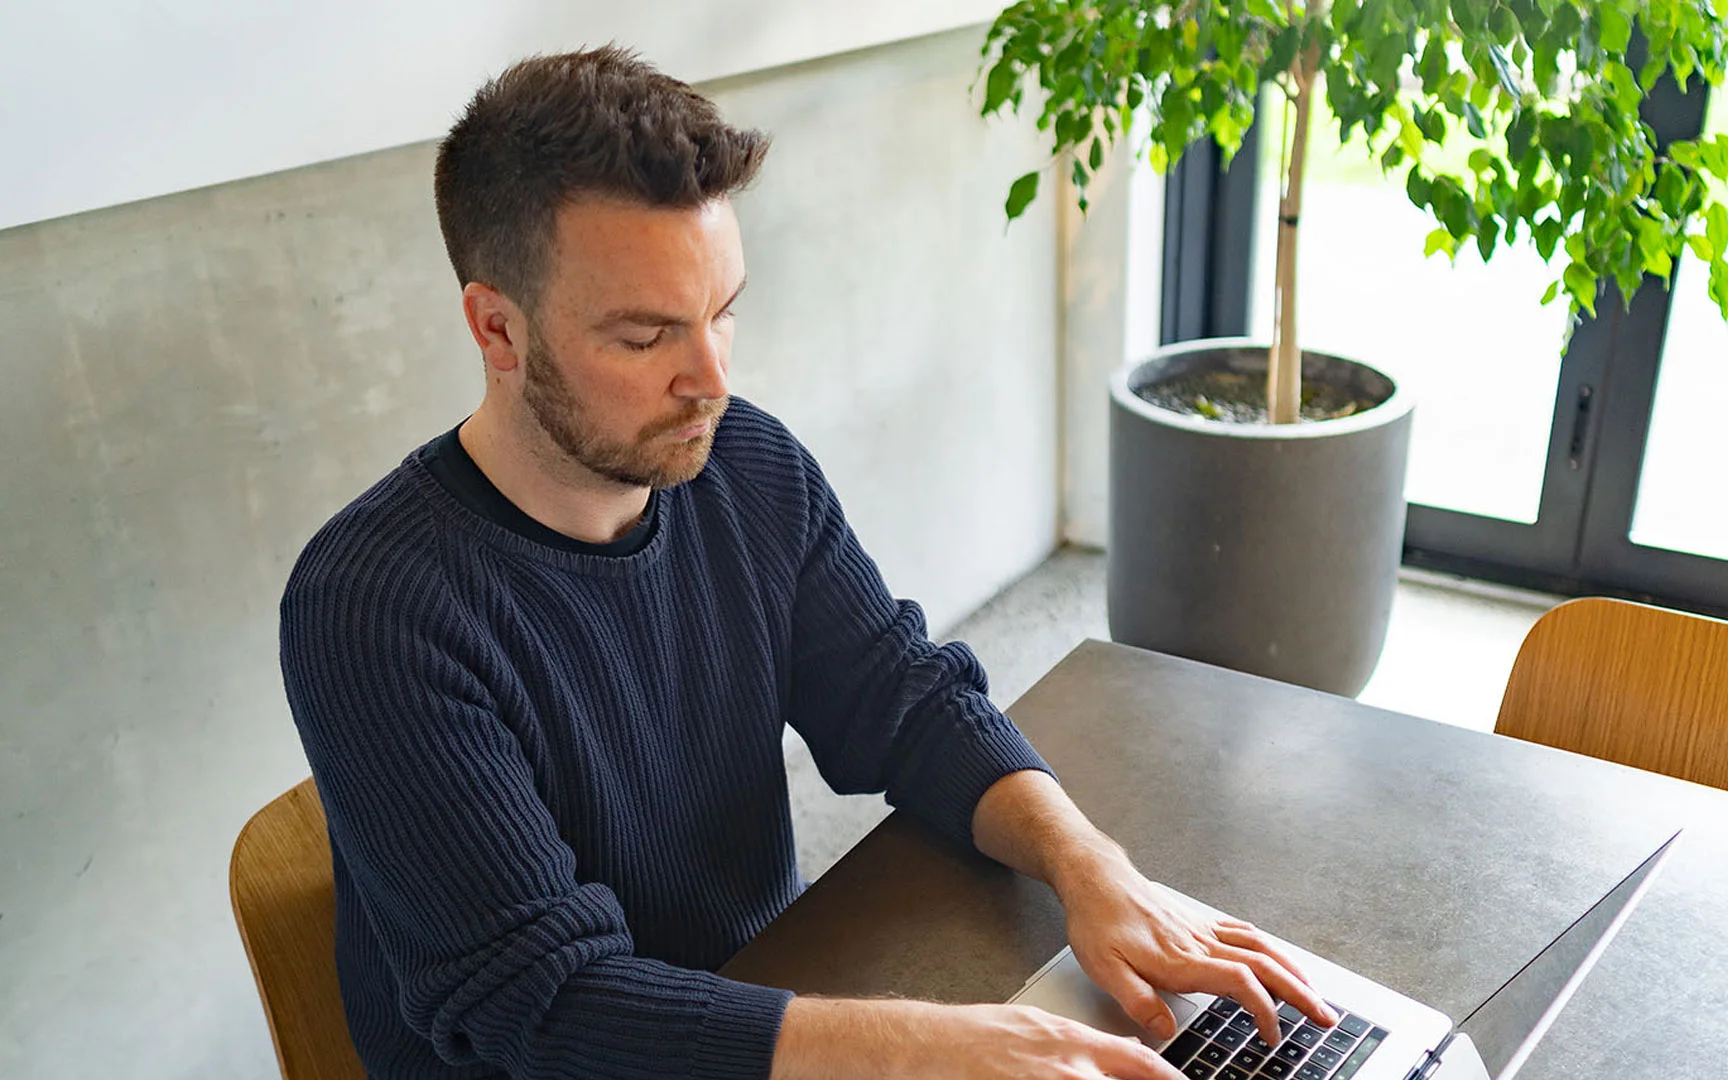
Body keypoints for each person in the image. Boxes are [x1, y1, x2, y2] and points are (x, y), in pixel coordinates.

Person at [279, 45, 1332, 1080]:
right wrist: (933, 1047)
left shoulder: (747, 465)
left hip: (767, 1006)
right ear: (498, 330)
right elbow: (545, 1007)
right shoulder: (373, 608)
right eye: (646, 338)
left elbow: (908, 703)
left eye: (722, 312)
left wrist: (1089, 864)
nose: (711, 379)